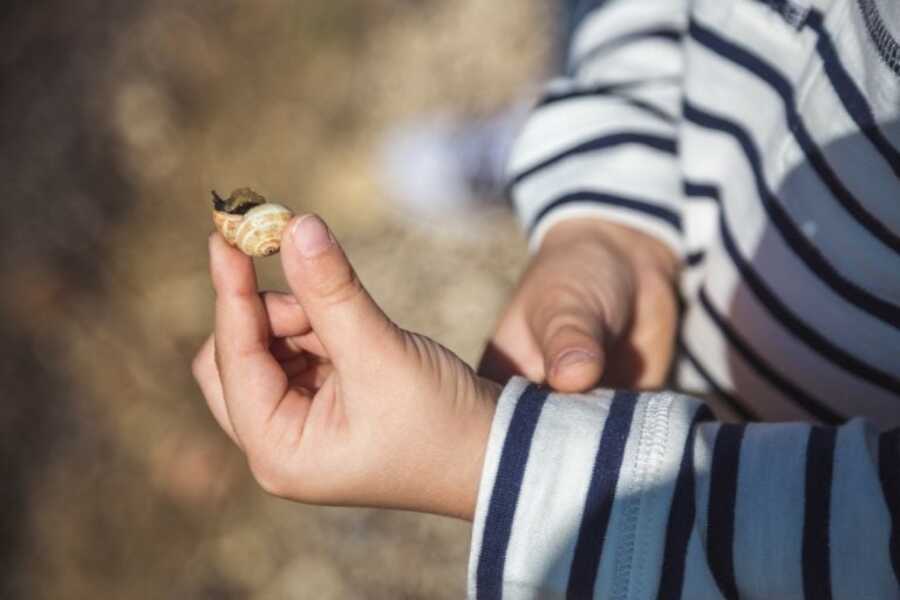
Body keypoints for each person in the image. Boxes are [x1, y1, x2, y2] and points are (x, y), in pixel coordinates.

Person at [193, 0, 900, 597]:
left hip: (784, 463)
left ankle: (538, 141)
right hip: (704, 184)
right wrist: (610, 216)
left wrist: (494, 463)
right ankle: (568, 132)